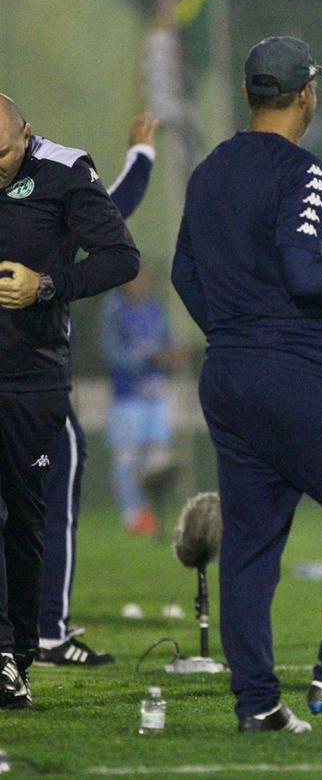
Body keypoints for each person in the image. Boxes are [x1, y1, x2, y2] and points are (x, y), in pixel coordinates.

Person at [171, 37, 322, 732]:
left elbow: (183, 274)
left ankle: (257, 706)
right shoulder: (302, 170)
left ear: (254, 93)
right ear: (306, 93)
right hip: (299, 368)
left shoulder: (210, 170)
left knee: (249, 548)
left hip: (228, 374)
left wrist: (234, 331)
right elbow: (305, 276)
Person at [0, 93, 140, 709]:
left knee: (24, 520)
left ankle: (20, 653)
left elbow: (120, 258)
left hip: (31, 378)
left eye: (1, 153)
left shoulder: (64, 170)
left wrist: (48, 287)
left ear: (27, 134)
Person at [36, 113, 158, 668]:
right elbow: (110, 215)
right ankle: (45, 630)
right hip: (29, 376)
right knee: (56, 488)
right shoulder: (41, 196)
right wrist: (142, 156)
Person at [98, 266, 182, 532]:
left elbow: (166, 340)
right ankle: (132, 514)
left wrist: (172, 355)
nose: (143, 281)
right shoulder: (113, 308)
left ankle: (154, 510)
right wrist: (148, 358)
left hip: (155, 392)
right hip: (127, 395)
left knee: (158, 454)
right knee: (127, 456)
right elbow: (112, 353)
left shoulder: (154, 308)